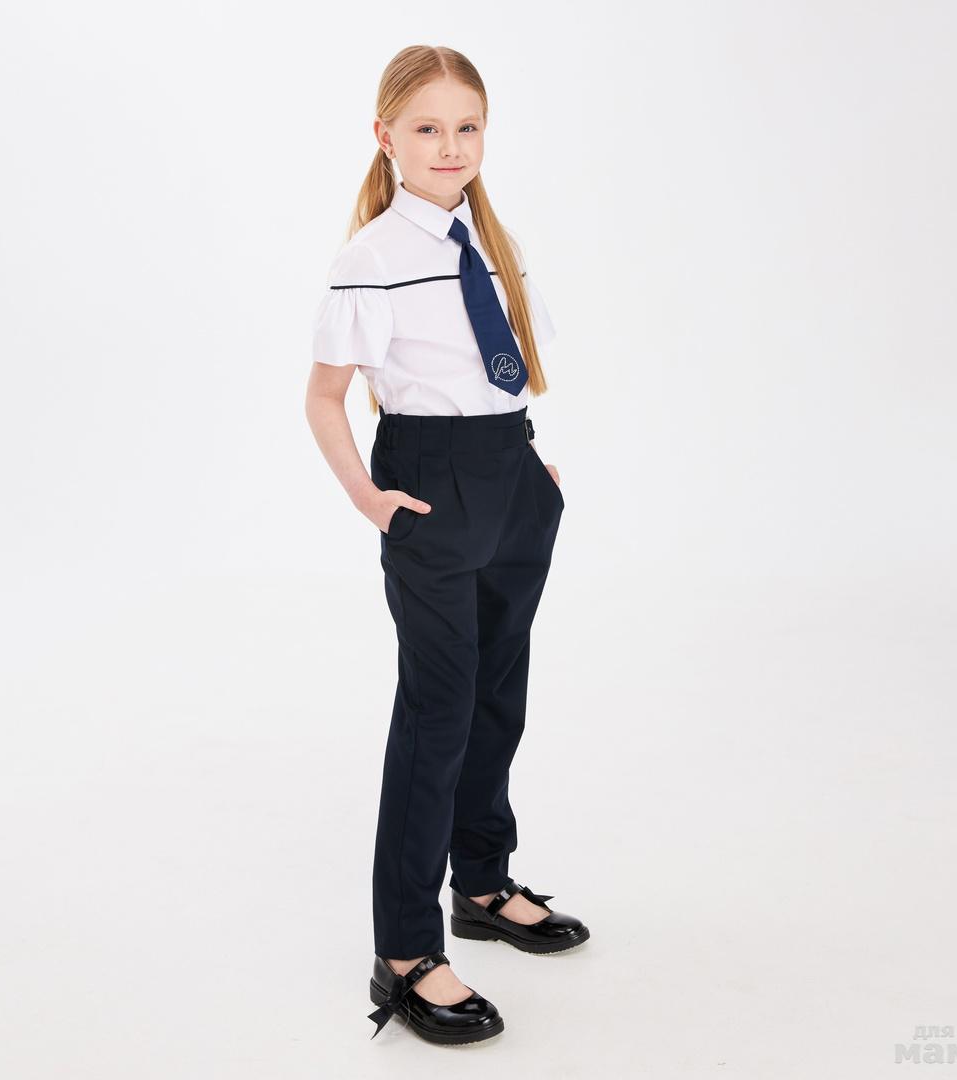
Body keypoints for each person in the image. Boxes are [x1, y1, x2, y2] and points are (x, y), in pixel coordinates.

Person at [305, 45, 589, 1046]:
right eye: (427, 127)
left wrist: (530, 469)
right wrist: (370, 499)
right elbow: (326, 396)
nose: (450, 145)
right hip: (430, 487)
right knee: (438, 711)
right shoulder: (371, 258)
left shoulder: (494, 241)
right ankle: (405, 950)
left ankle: (481, 882)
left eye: (467, 126)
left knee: (497, 695)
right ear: (386, 136)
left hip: (512, 481)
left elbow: (496, 369)